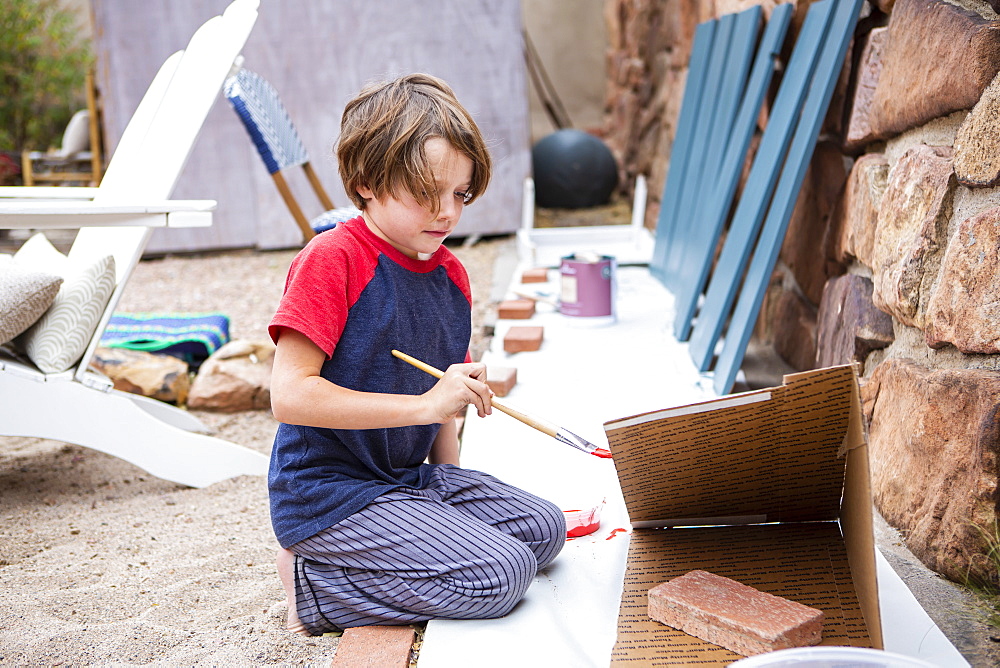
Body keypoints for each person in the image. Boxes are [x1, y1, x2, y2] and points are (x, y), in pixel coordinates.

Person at [267, 73, 566, 635]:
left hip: (404, 479)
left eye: (460, 193)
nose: (447, 213)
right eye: (426, 192)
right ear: (365, 183)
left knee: (544, 530)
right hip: (329, 494)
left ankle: (413, 538)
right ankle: (312, 584)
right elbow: (289, 396)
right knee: (500, 575)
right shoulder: (333, 259)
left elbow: (444, 401)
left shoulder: (450, 274)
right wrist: (427, 406)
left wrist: (449, 486)